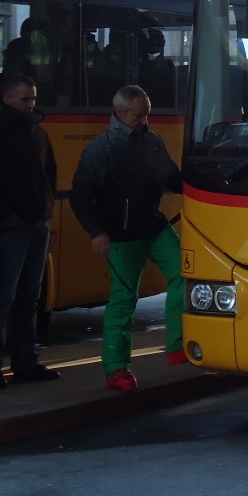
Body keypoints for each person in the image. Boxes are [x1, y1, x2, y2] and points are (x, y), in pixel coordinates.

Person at [70, 85, 185, 391]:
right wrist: (97, 232)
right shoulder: (101, 150)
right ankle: (117, 368)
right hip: (123, 234)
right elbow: (81, 197)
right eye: (139, 115)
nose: (146, 121)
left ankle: (176, 345)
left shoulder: (150, 140)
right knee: (125, 299)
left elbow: (172, 178)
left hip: (149, 226)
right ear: (120, 113)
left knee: (184, 274)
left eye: (147, 114)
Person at [0, 73, 60, 390]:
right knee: (4, 299)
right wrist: (5, 217)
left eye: (33, 97)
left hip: (35, 224)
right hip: (12, 228)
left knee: (28, 298)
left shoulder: (38, 132)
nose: (31, 103)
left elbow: (50, 174)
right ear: (7, 98)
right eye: (25, 98)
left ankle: (25, 362)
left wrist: (45, 213)